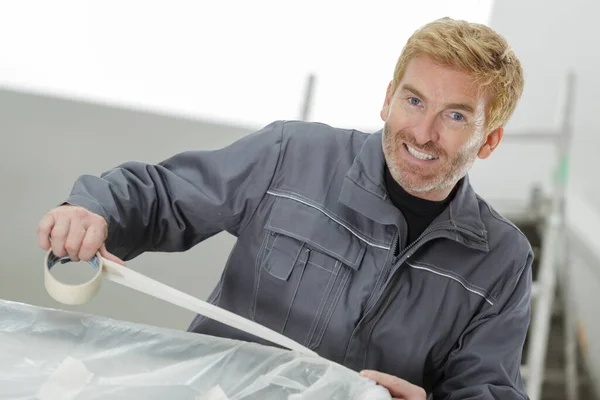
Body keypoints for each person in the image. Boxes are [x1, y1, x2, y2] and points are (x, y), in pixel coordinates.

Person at [37, 17, 531, 399]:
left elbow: (487, 388)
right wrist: (93, 210)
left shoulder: (502, 262)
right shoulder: (290, 156)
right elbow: (163, 195)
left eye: (455, 116)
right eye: (414, 101)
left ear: (488, 141)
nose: (423, 133)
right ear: (387, 100)